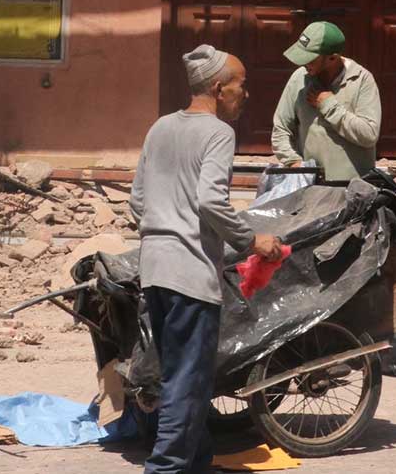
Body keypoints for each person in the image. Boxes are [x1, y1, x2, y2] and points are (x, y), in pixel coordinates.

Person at [130, 44, 282, 474]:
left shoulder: (160, 127)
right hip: (190, 275)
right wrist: (252, 241)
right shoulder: (218, 133)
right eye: (241, 85)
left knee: (183, 374)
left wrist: (164, 225)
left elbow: (138, 202)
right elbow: (211, 203)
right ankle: (166, 468)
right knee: (186, 380)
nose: (244, 94)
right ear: (218, 88)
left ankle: (196, 461)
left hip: (155, 270)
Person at [271, 21, 382, 182]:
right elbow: (281, 129)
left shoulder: (361, 80)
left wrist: (329, 105)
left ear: (332, 58)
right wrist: (294, 163)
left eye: (310, 59)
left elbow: (369, 135)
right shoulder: (298, 78)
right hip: (310, 187)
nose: (304, 63)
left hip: (353, 189)